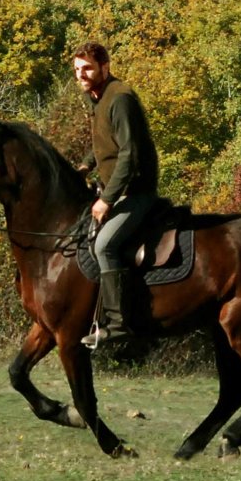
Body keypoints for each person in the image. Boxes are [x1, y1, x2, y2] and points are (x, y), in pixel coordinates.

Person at [69, 41, 162, 351]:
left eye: (87, 69)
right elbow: (104, 143)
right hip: (116, 189)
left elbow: (129, 154)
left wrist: (106, 199)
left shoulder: (120, 98)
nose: (81, 75)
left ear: (105, 67)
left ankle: (118, 326)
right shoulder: (97, 97)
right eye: (77, 69)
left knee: (105, 245)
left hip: (135, 192)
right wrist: (86, 164)